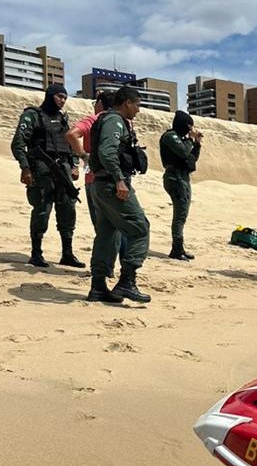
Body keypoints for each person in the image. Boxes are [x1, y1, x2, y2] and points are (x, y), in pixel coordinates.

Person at [86, 85, 152, 304]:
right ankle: (127, 281)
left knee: (107, 233)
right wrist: (119, 180)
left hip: (101, 185)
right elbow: (107, 151)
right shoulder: (114, 121)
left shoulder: (107, 120)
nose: (138, 111)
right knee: (140, 228)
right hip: (112, 185)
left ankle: (98, 286)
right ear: (127, 103)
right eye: (137, 105)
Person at [10, 82, 84, 268]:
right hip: (41, 170)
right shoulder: (32, 115)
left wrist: (74, 165)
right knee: (42, 210)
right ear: (50, 95)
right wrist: (25, 168)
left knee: (68, 210)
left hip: (63, 170)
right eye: (59, 96)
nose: (62, 101)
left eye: (65, 97)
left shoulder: (62, 119)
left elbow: (70, 143)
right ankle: (36, 253)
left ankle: (67, 253)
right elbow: (18, 143)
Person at [65, 90, 122, 274]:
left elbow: (72, 134)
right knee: (115, 226)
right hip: (116, 180)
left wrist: (83, 156)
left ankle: (103, 268)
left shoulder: (94, 119)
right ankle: (109, 267)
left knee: (101, 227)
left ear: (100, 104)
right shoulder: (121, 122)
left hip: (93, 179)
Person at [159, 110, 203, 260]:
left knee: (182, 214)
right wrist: (191, 140)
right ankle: (176, 249)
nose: (190, 129)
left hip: (183, 177)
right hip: (175, 178)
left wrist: (197, 144)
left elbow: (191, 159)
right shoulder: (170, 137)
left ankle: (179, 248)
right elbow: (184, 153)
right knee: (179, 215)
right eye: (189, 126)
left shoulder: (181, 139)